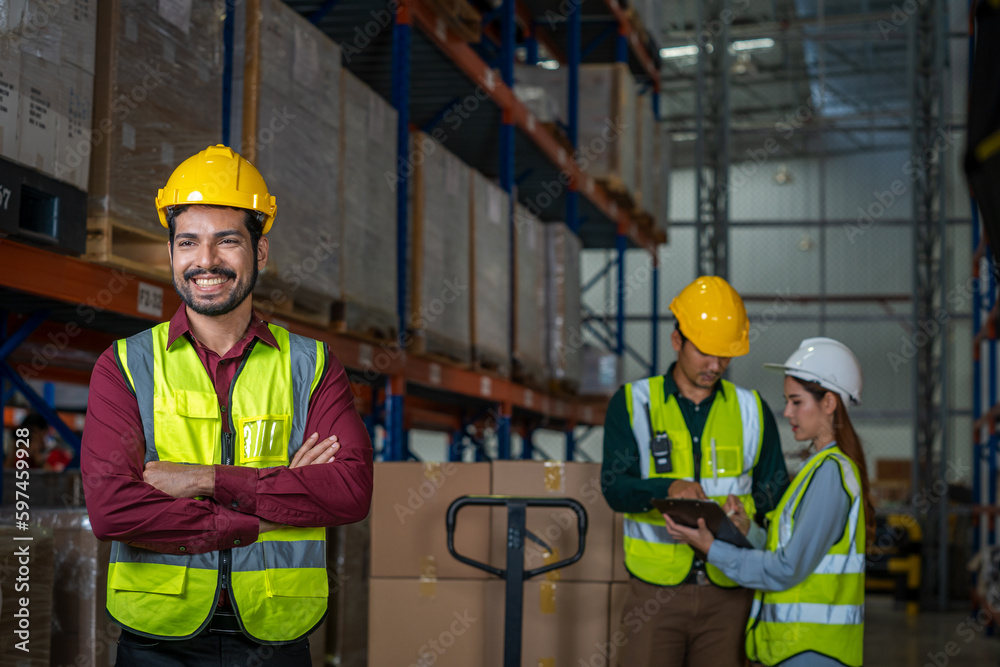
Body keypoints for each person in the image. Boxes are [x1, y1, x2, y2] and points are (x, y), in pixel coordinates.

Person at [81, 145, 374, 666]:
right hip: (156, 640)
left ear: (259, 253)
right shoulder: (125, 364)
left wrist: (204, 479)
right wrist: (266, 517)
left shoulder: (310, 365)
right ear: (171, 252)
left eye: (228, 241)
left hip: (276, 637)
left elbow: (349, 492)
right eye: (188, 242)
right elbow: (111, 509)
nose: (206, 261)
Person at [601, 275, 790, 666]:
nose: (716, 365)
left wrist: (748, 511)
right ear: (677, 341)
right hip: (655, 593)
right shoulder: (634, 403)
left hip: (729, 589)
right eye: (706, 352)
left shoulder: (751, 409)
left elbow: (775, 487)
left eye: (725, 355)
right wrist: (669, 487)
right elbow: (614, 487)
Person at [663, 337, 872, 667]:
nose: (787, 412)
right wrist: (748, 531)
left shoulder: (830, 475)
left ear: (829, 403)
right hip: (802, 649)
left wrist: (711, 549)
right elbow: (789, 550)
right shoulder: (815, 470)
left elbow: (787, 568)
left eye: (796, 401)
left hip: (812, 652)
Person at [4, 412, 74, 471]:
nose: (29, 437)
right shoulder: (21, 458)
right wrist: (14, 450)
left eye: (32, 433)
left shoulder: (58, 455)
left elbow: (56, 480)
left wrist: (37, 457)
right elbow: (4, 476)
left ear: (44, 432)